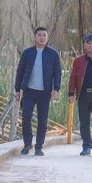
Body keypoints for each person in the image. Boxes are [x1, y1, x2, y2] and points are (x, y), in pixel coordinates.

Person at [14, 27, 62, 156]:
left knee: (43, 121)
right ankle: (27, 144)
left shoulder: (53, 54)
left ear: (47, 37)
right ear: (35, 36)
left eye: (44, 35)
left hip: (45, 92)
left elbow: (58, 72)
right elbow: (20, 71)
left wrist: (56, 89)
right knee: (26, 118)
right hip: (29, 91)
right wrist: (17, 89)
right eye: (39, 35)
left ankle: (39, 146)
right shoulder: (27, 53)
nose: (42, 37)